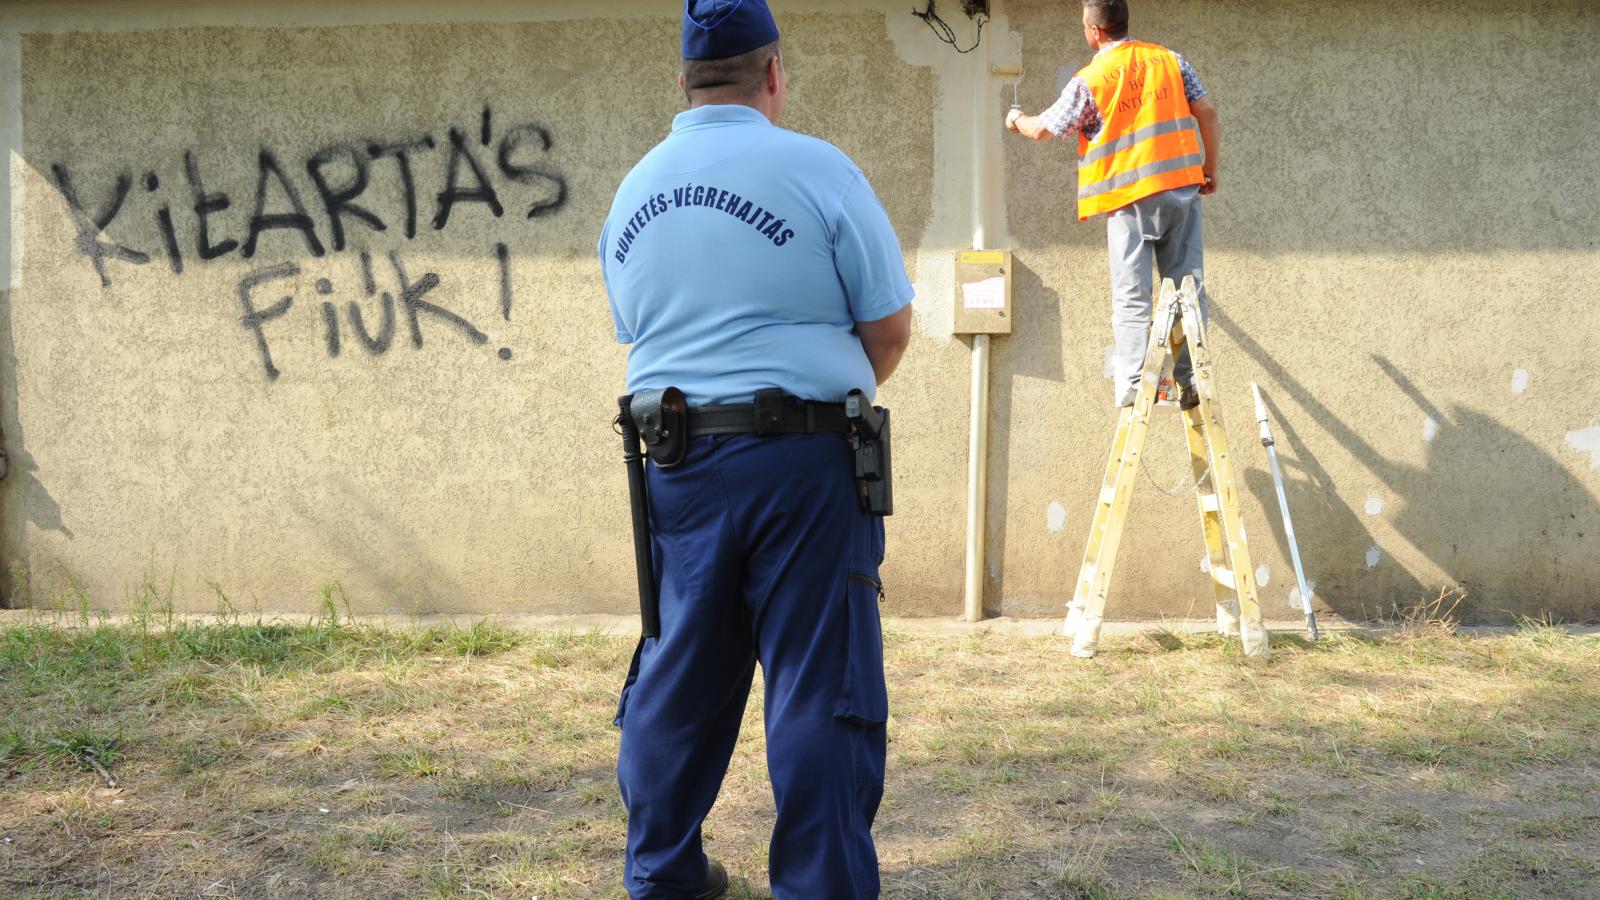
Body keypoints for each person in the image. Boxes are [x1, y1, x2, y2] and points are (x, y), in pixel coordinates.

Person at [597, 0, 914, 896]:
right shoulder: (818, 169)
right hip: (807, 468)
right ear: (773, 73)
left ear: (686, 81)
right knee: (818, 683)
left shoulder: (633, 191)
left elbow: (637, 327)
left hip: (677, 465)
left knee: (680, 669)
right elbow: (887, 330)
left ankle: (664, 875)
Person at [1005, 0, 1220, 408]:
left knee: (1132, 296)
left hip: (1129, 200)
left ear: (1095, 32)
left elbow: (1043, 130)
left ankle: (1140, 384)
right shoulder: (1169, 60)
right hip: (1180, 189)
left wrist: (1015, 119)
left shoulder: (1092, 79)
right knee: (1187, 288)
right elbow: (1206, 111)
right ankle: (1191, 379)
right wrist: (1210, 167)